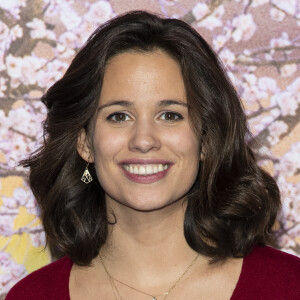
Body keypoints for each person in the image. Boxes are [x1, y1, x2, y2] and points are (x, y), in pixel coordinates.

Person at [6, 10, 300, 300]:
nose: (143, 140)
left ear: (207, 139)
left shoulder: (288, 286)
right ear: (84, 142)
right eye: (119, 116)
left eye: (170, 115)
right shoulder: (33, 295)